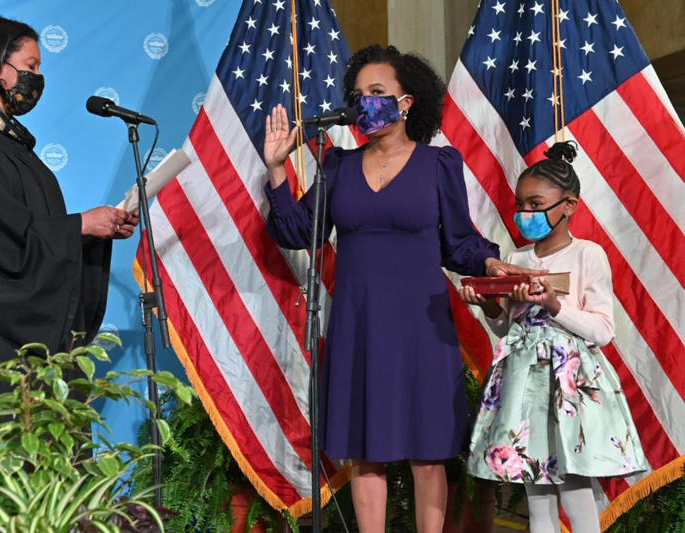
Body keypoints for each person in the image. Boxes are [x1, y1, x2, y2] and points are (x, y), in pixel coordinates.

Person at [264, 44, 533, 533]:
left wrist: (491, 261)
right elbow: (297, 231)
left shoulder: (437, 164)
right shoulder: (338, 166)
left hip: (421, 327)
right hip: (358, 327)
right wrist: (278, 170)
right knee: (367, 454)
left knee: (427, 453)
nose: (365, 101)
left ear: (406, 102)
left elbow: (459, 242)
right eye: (358, 93)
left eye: (377, 92)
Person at [0, 13, 139, 466]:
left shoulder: (8, 145)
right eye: (30, 66)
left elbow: (31, 236)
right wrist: (78, 226)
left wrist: (94, 232)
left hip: (18, 340)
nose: (38, 78)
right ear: (0, 69)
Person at [462, 142, 649, 533]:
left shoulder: (587, 254)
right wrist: (488, 305)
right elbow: (508, 327)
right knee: (536, 483)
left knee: (576, 482)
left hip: (570, 383)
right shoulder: (519, 257)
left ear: (569, 205)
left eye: (535, 204)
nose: (526, 214)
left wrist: (553, 304)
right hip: (523, 382)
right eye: (521, 205)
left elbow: (603, 329)